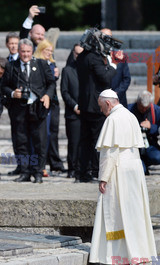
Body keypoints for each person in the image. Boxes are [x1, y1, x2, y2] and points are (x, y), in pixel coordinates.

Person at [89, 89, 157, 265]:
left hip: (118, 170)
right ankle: (139, 255)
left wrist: (103, 178)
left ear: (108, 103)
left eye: (101, 106)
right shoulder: (130, 115)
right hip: (134, 168)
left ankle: (119, 257)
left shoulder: (112, 119)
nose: (101, 110)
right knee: (135, 213)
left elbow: (109, 153)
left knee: (117, 214)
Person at [2, 38, 56, 183]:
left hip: (37, 109)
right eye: (22, 51)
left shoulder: (41, 64)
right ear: (18, 51)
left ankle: (38, 172)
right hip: (19, 110)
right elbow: (4, 86)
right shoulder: (11, 66)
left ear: (32, 51)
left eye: (27, 51)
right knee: (22, 142)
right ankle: (25, 171)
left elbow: (51, 83)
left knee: (39, 142)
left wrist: (47, 96)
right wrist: (13, 93)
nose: (25, 54)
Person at [76, 34, 117, 182]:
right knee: (96, 139)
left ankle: (83, 171)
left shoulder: (81, 57)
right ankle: (95, 170)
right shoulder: (94, 58)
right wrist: (113, 65)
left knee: (86, 140)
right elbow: (105, 78)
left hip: (85, 104)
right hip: (94, 106)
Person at [34, 39, 65, 174]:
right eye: (47, 50)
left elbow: (52, 82)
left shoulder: (52, 63)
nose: (49, 53)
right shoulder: (37, 62)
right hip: (42, 101)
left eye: (51, 51)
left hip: (53, 102)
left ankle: (53, 162)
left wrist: (56, 77)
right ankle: (42, 164)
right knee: (43, 133)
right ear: (41, 49)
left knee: (53, 133)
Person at [127, 91, 160, 174]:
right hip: (133, 145)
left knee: (158, 158)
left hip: (149, 144)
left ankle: (144, 163)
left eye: (146, 108)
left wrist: (151, 126)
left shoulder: (156, 110)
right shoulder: (129, 109)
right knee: (142, 171)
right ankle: (141, 164)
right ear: (137, 102)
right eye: (141, 107)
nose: (143, 109)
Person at [61, 44, 82, 179]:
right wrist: (75, 106)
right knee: (74, 142)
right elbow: (64, 92)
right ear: (73, 54)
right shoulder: (67, 70)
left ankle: (83, 167)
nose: (79, 56)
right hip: (73, 113)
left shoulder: (88, 70)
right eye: (77, 53)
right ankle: (72, 168)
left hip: (87, 112)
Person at [4, 32, 22, 176]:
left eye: (16, 43)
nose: (13, 46)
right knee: (15, 135)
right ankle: (20, 165)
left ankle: (28, 165)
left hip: (25, 105)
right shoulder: (5, 61)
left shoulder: (23, 59)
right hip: (12, 104)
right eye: (11, 43)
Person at [102, 28, 131, 107]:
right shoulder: (96, 57)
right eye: (105, 37)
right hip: (102, 101)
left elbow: (126, 78)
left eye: (109, 37)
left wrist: (116, 93)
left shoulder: (119, 55)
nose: (108, 40)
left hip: (119, 100)